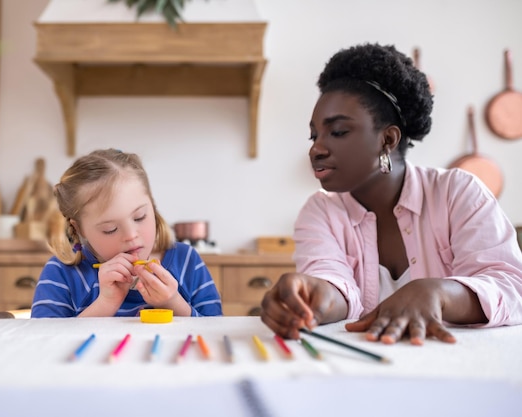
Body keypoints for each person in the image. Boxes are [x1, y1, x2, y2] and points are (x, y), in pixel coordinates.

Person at [261, 43, 522, 345]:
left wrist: (438, 293)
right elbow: (333, 283)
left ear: (387, 139)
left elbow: (512, 286)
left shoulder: (458, 193)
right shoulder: (320, 211)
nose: (316, 149)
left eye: (338, 132)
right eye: (314, 135)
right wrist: (311, 293)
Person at [31, 149, 223, 318]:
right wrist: (105, 304)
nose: (131, 235)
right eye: (110, 229)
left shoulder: (187, 261)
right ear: (79, 229)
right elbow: (44, 345)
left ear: (152, 206)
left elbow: (215, 334)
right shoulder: (61, 273)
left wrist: (173, 303)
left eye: (139, 217)